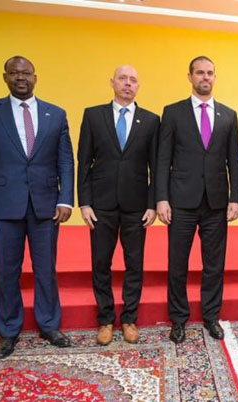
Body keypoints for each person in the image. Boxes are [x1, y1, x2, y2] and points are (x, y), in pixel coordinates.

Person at [0, 56, 74, 359]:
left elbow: (66, 160)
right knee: (7, 271)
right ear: (5, 78)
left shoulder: (56, 114)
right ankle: (8, 330)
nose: (20, 77)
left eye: (26, 73)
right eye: (14, 73)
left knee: (46, 270)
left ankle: (49, 325)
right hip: (3, 206)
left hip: (46, 206)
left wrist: (65, 199)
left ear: (35, 77)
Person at [156, 56, 238, 344]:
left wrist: (236, 197)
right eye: (200, 73)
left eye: (210, 73)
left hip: (216, 202)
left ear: (214, 77)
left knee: (214, 265)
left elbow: (234, 160)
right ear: (190, 77)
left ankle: (211, 317)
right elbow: (163, 158)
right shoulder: (173, 112)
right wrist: (161, 198)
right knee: (177, 264)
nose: (205, 77)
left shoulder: (229, 115)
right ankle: (178, 319)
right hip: (181, 201)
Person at [77, 65, 159, 345]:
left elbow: (156, 166)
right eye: (122, 78)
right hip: (101, 205)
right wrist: (84, 202)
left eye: (133, 80)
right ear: (112, 82)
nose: (127, 84)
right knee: (101, 263)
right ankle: (105, 320)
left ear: (138, 86)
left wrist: (152, 204)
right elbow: (84, 162)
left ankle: (129, 319)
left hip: (137, 206)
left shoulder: (151, 120)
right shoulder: (93, 116)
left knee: (134, 264)